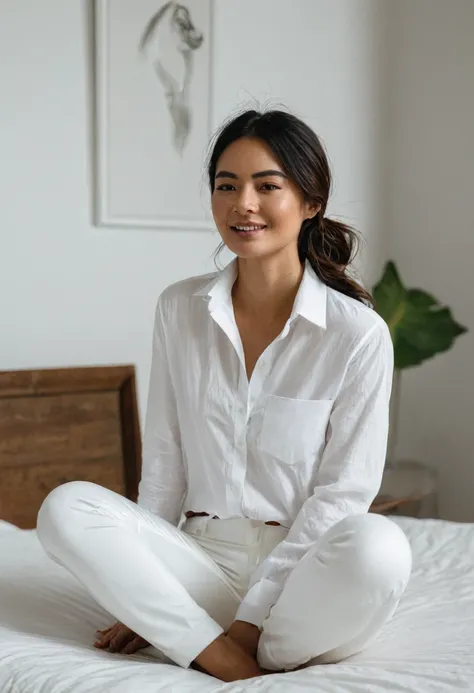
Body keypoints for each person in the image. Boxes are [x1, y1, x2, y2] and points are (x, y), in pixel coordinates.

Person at [36, 109, 412, 682]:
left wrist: (248, 618)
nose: (244, 204)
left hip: (303, 579)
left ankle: (213, 644)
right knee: (66, 507)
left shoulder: (357, 335)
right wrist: (140, 579)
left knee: (379, 548)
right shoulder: (179, 309)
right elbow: (163, 462)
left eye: (268, 185)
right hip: (201, 562)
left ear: (310, 201)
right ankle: (231, 664)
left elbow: (342, 496)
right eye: (226, 185)